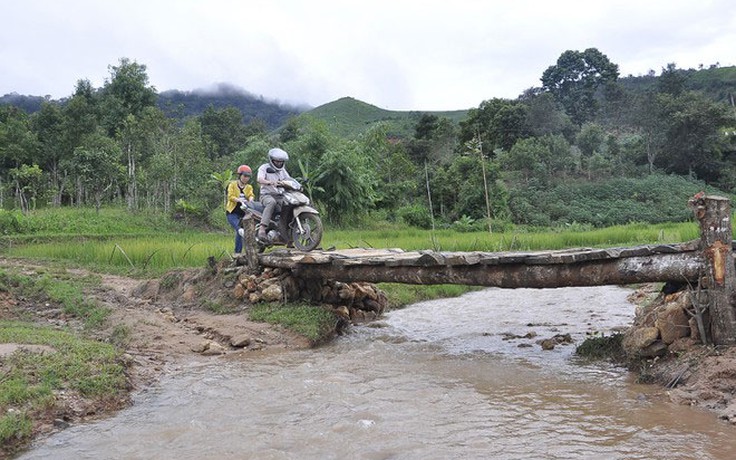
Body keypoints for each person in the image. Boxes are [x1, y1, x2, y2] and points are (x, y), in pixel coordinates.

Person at [256, 148, 293, 241]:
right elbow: (259, 179)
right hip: (266, 195)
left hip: (280, 195)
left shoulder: (282, 170)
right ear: (272, 160)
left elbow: (289, 179)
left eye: (281, 162)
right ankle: (262, 228)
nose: (279, 163)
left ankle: (287, 232)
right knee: (271, 202)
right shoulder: (264, 168)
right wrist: (269, 182)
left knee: (290, 204)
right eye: (277, 161)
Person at [225, 164, 254, 253]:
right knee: (240, 229)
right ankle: (238, 253)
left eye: (248, 176)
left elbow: (250, 195)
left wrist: (250, 201)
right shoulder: (232, 185)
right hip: (232, 212)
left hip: (243, 212)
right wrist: (239, 200)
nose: (246, 178)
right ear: (240, 175)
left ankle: (238, 253)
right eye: (245, 176)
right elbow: (230, 196)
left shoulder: (249, 187)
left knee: (241, 233)